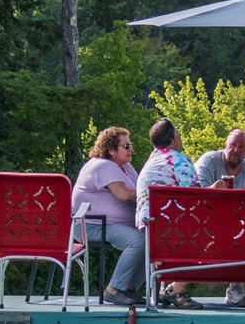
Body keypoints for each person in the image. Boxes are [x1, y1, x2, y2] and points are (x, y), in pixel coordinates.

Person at [73, 127, 147, 307]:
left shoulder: (125, 167)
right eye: (126, 145)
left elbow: (134, 191)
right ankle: (113, 289)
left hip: (110, 224)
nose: (131, 149)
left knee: (152, 241)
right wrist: (151, 193)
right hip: (90, 225)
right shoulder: (103, 165)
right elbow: (124, 194)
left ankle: (128, 287)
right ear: (111, 149)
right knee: (137, 241)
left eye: (131, 145)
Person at [134, 118, 201, 308]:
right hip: (172, 226)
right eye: (178, 133)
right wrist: (218, 187)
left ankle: (168, 290)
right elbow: (198, 197)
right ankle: (176, 289)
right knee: (213, 238)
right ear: (173, 138)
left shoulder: (151, 161)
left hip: (147, 226)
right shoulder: (178, 160)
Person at [194, 129, 245, 305]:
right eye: (232, 145)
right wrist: (214, 189)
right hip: (203, 222)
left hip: (237, 224)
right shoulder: (208, 161)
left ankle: (235, 289)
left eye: (241, 147)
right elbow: (194, 197)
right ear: (225, 144)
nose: (236, 150)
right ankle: (173, 288)